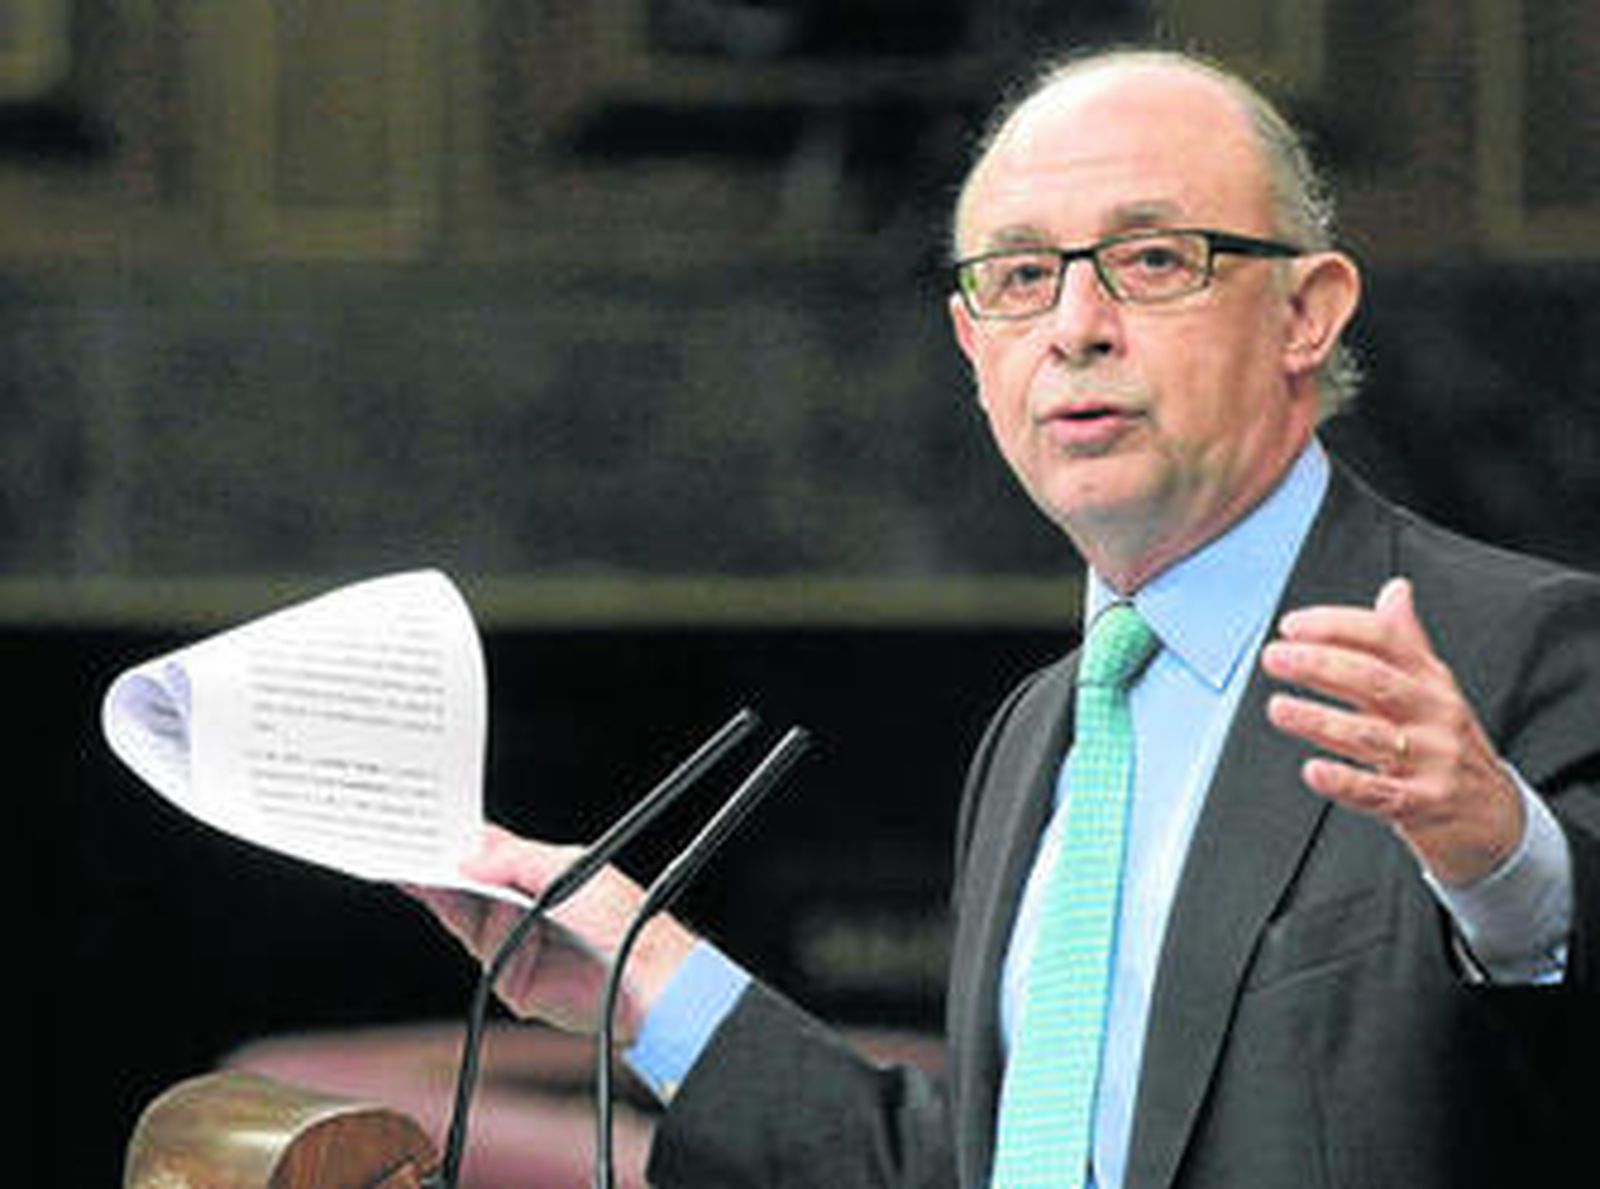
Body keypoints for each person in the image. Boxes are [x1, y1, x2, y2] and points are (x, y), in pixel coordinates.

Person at [409, 46, 1600, 1188]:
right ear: (974, 348)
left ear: (1306, 313)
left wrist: (1505, 866)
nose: (1074, 327)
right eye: (1021, 278)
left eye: (1151, 260)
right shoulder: (1039, 734)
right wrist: (643, 982)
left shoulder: (1518, 655)